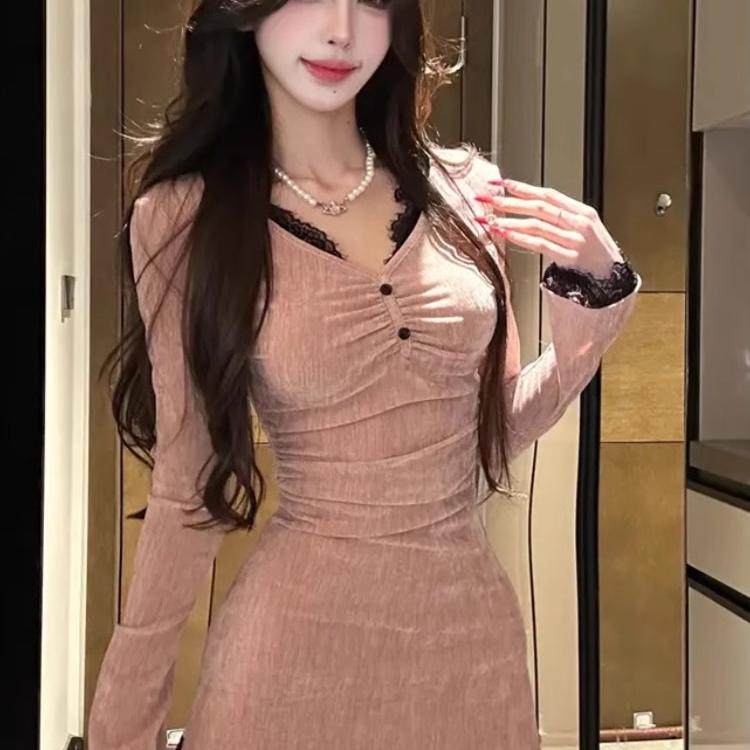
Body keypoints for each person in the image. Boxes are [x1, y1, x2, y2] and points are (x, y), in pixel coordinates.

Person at [88, 1, 641, 748]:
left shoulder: (467, 189)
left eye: (373, 0)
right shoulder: (186, 214)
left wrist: (593, 306)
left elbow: (496, 428)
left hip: (467, 645)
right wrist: (122, 729)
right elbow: (187, 486)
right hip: (289, 650)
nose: (342, 29)